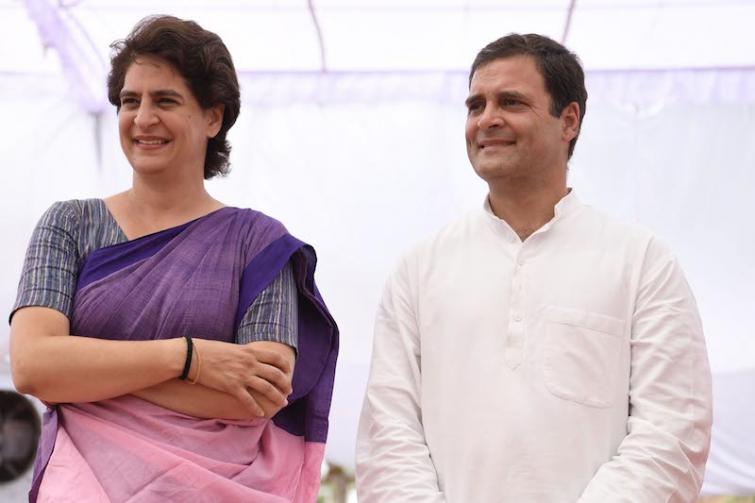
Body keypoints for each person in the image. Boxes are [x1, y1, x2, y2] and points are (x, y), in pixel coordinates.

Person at [356, 33, 712, 502]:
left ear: (569, 120)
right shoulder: (419, 270)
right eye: (475, 105)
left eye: (511, 102)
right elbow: (388, 435)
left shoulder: (642, 262)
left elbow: (673, 433)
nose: (487, 119)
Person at [9, 15, 338, 502]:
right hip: (84, 487)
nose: (143, 119)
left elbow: (258, 395)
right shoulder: (69, 226)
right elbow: (33, 366)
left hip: (217, 490)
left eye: (165, 101)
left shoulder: (258, 242)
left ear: (213, 117)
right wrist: (188, 357)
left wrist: (86, 372)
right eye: (130, 101)